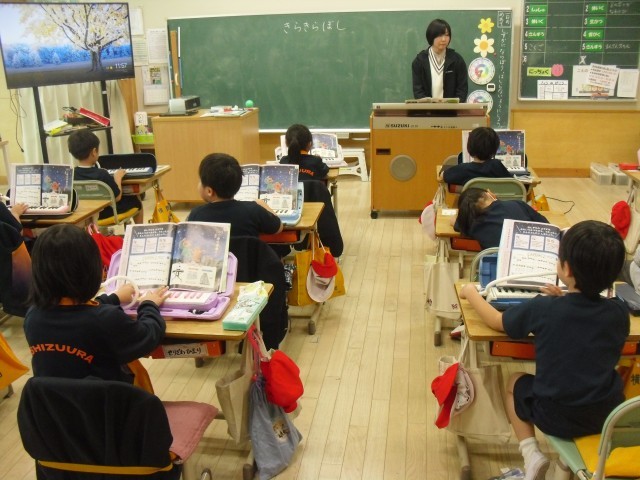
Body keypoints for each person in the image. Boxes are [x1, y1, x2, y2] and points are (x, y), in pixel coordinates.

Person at [460, 220, 629, 480]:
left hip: (555, 416)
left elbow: (496, 321)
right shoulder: (618, 313)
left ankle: (531, 454)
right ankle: (562, 463)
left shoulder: (545, 308)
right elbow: (584, 324)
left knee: (515, 382)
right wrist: (565, 300)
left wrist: (470, 293)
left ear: (566, 269)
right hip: (606, 415)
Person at [23, 224, 169, 383]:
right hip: (108, 399)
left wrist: (113, 298)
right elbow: (149, 335)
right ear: (91, 270)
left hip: (54, 399)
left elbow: (77, 314)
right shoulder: (106, 320)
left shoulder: (33, 317)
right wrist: (149, 304)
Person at [187, 152, 283, 237]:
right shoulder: (253, 210)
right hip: (246, 253)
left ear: (209, 191)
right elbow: (278, 227)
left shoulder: (196, 215)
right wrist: (261, 203)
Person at [69, 130, 143, 223]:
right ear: (94, 152)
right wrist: (117, 178)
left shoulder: (72, 174)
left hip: (86, 214)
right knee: (136, 199)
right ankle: (137, 230)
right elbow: (117, 197)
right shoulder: (102, 174)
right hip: (107, 213)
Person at [454, 188, 549, 249]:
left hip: (500, 269)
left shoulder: (472, 224)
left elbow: (456, 222)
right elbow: (547, 226)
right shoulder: (517, 204)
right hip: (537, 259)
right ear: (488, 194)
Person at [412, 18, 468, 102]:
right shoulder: (420, 61)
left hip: (451, 109)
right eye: (440, 35)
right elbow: (418, 91)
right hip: (427, 109)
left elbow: (462, 90)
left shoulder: (457, 60)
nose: (444, 39)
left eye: (447, 35)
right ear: (431, 36)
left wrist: (453, 106)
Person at [442, 127, 512, 187]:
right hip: (496, 199)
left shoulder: (463, 169)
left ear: (469, 147)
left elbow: (442, 177)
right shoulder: (497, 166)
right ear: (495, 149)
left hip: (472, 199)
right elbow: (512, 182)